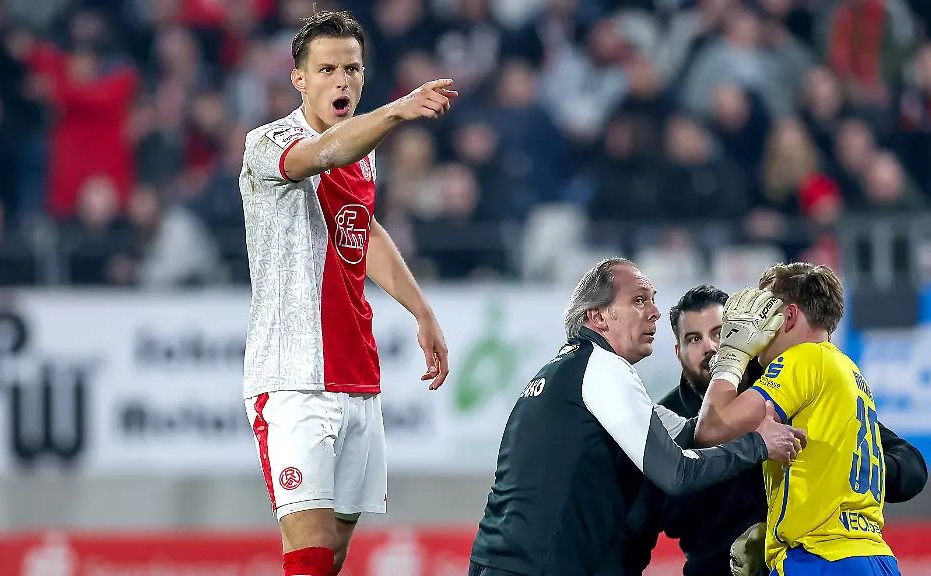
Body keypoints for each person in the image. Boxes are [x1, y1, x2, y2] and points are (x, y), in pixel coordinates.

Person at [238, 10, 457, 576]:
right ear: (299, 79)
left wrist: (421, 310)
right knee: (307, 554)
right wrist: (400, 109)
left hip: (357, 376)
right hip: (293, 378)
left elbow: (364, 227)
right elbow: (323, 154)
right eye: (327, 69)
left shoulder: (367, 149)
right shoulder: (267, 143)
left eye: (352, 69)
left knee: (331, 556)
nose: (342, 80)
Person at [469, 258, 808, 576]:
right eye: (639, 301)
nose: (655, 312)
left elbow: (693, 433)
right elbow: (676, 472)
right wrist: (758, 445)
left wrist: (736, 412)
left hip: (495, 561)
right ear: (599, 317)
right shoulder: (604, 367)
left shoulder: (562, 373)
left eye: (653, 300)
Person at [602, 285, 927, 576]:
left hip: (802, 562)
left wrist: (836, 472)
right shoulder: (662, 423)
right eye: (694, 339)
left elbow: (910, 465)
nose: (712, 347)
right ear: (678, 353)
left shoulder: (786, 389)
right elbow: (632, 536)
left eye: (721, 332)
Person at [694, 263, 906, 575]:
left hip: (818, 558)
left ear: (789, 317)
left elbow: (712, 428)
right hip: (874, 557)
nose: (756, 325)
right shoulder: (850, 373)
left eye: (763, 313)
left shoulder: (801, 358)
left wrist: (731, 354)